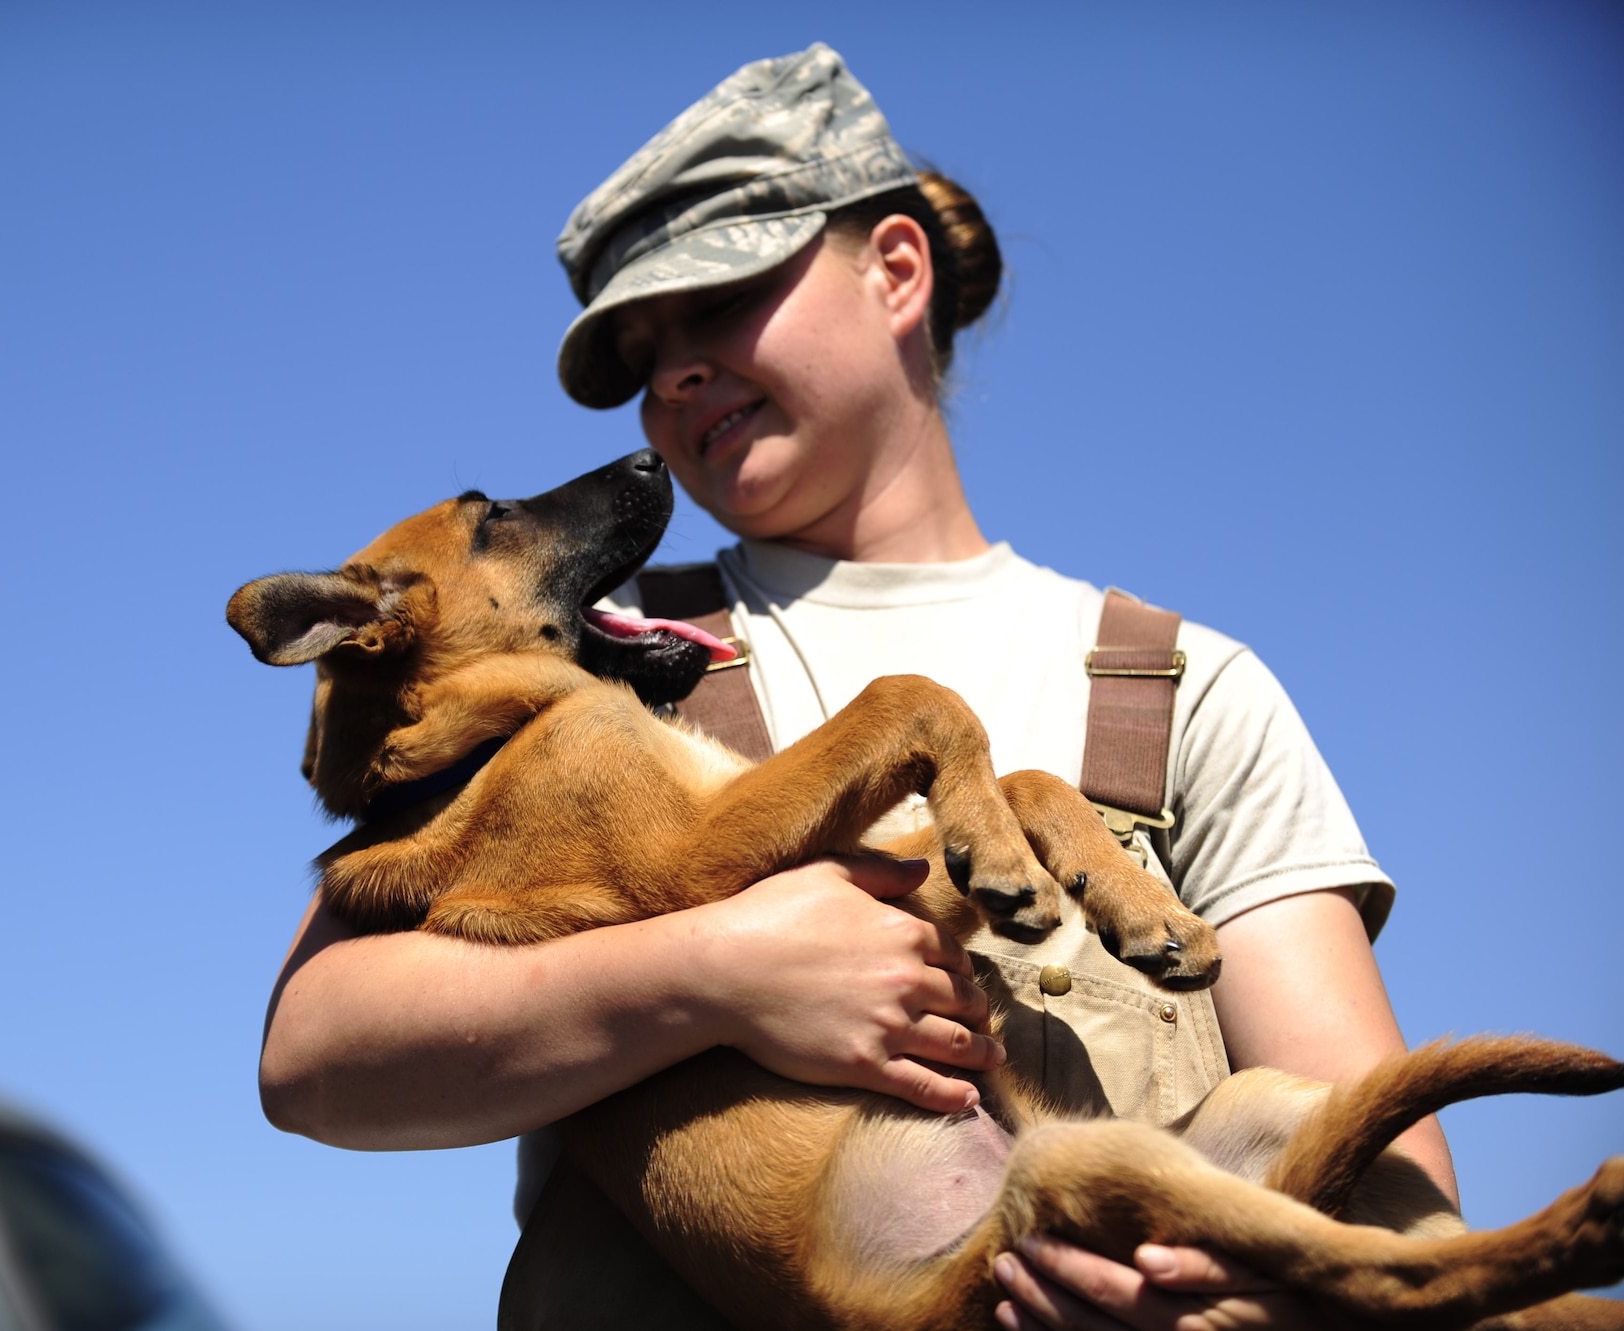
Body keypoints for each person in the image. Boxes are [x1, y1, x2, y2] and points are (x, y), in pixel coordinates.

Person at [259, 44, 1456, 1330]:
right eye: (639, 359)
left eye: (717, 302)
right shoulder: (579, 658)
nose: (671, 375)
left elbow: (1388, 1176)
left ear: (893, 268)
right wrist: (703, 973)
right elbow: (316, 1055)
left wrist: (1212, 1289)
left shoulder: (1174, 687)